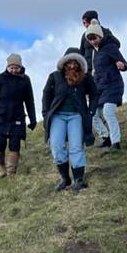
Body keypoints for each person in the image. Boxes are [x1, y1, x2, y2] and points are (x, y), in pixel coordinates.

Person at [42, 51, 98, 194]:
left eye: (75, 63)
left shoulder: (85, 77)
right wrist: (46, 114)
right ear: (64, 63)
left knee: (76, 146)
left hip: (77, 116)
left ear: (80, 64)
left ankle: (79, 179)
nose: (72, 65)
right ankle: (65, 178)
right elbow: (46, 94)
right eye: (69, 62)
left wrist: (91, 112)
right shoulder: (55, 76)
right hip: (57, 116)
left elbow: (94, 94)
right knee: (56, 145)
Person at [0, 53, 37, 176]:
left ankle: (11, 173)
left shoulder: (25, 80)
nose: (14, 70)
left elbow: (29, 101)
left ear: (20, 67)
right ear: (7, 67)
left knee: (15, 145)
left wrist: (33, 119)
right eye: (11, 67)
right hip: (0, 116)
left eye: (16, 68)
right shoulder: (0, 78)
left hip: (17, 117)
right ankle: (1, 165)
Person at [84, 22, 127, 152]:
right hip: (100, 89)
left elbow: (125, 63)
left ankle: (116, 142)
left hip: (113, 85)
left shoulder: (110, 47)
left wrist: (123, 66)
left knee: (108, 112)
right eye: (90, 39)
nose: (93, 41)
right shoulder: (94, 53)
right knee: (93, 115)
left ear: (100, 36)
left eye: (95, 38)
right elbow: (95, 73)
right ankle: (106, 137)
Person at [78, 10, 120, 74]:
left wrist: (103, 39)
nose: (86, 25)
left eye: (87, 22)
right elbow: (81, 52)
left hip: (103, 68)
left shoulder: (105, 32)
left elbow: (117, 44)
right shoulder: (84, 35)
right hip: (88, 70)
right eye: (84, 23)